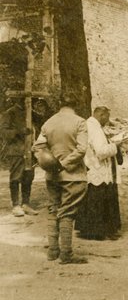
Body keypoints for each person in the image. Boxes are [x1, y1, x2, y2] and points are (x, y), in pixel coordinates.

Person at [33, 93, 88, 264]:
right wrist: (65, 163)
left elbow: (37, 147)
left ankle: (52, 251)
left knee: (53, 210)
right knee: (67, 213)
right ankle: (66, 253)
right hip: (73, 175)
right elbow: (82, 149)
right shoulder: (80, 122)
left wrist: (51, 163)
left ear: (60, 104)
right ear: (75, 105)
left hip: (52, 175)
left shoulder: (49, 122)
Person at [75, 106, 122, 240]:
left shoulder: (88, 125)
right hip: (98, 169)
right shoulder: (95, 128)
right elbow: (101, 151)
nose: (107, 120)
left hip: (92, 168)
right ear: (101, 115)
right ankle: (99, 231)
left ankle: (88, 230)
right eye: (107, 117)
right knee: (100, 199)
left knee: (92, 199)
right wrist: (116, 146)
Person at [0, 98, 38, 217]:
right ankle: (16, 205)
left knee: (28, 177)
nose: (28, 103)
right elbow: (3, 131)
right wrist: (18, 132)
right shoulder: (10, 113)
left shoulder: (31, 113)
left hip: (30, 151)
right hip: (16, 151)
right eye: (26, 100)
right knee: (16, 177)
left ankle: (25, 203)